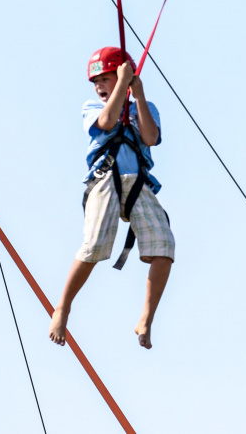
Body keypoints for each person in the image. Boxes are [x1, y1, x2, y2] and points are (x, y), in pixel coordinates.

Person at [49, 47, 175, 350]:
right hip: (105, 179)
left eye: (106, 79)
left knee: (165, 247)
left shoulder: (143, 106)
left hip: (138, 183)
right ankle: (63, 308)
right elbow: (106, 123)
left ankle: (146, 318)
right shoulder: (91, 106)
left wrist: (139, 95)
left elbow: (148, 137)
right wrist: (121, 85)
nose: (100, 86)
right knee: (94, 246)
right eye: (98, 82)